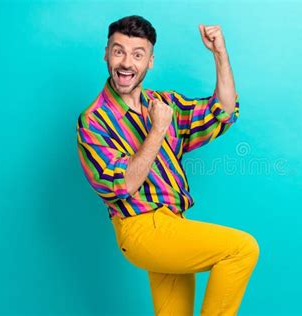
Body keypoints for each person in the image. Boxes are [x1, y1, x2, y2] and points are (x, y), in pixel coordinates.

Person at [76, 15, 259, 316]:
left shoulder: (164, 103)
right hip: (141, 230)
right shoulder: (93, 121)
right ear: (106, 53)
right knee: (241, 249)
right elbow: (123, 185)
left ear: (150, 61)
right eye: (118, 51)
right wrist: (157, 129)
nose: (126, 63)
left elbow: (223, 112)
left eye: (138, 54)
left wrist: (220, 55)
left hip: (173, 224)